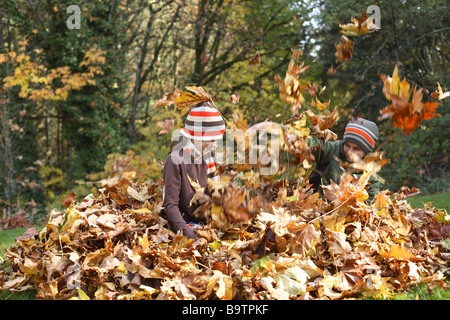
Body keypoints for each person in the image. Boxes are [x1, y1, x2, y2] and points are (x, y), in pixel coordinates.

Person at [162, 102, 225, 239]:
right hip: (185, 225)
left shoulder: (208, 156)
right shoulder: (175, 160)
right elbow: (170, 205)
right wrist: (190, 236)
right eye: (211, 140)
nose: (214, 144)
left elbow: (216, 194)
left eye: (216, 140)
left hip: (208, 223)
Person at [308, 118, 382, 202]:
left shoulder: (369, 172)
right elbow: (313, 145)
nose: (350, 152)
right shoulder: (332, 150)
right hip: (315, 206)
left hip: (343, 213)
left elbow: (372, 202)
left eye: (356, 149)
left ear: (366, 151)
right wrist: (297, 139)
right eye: (347, 145)